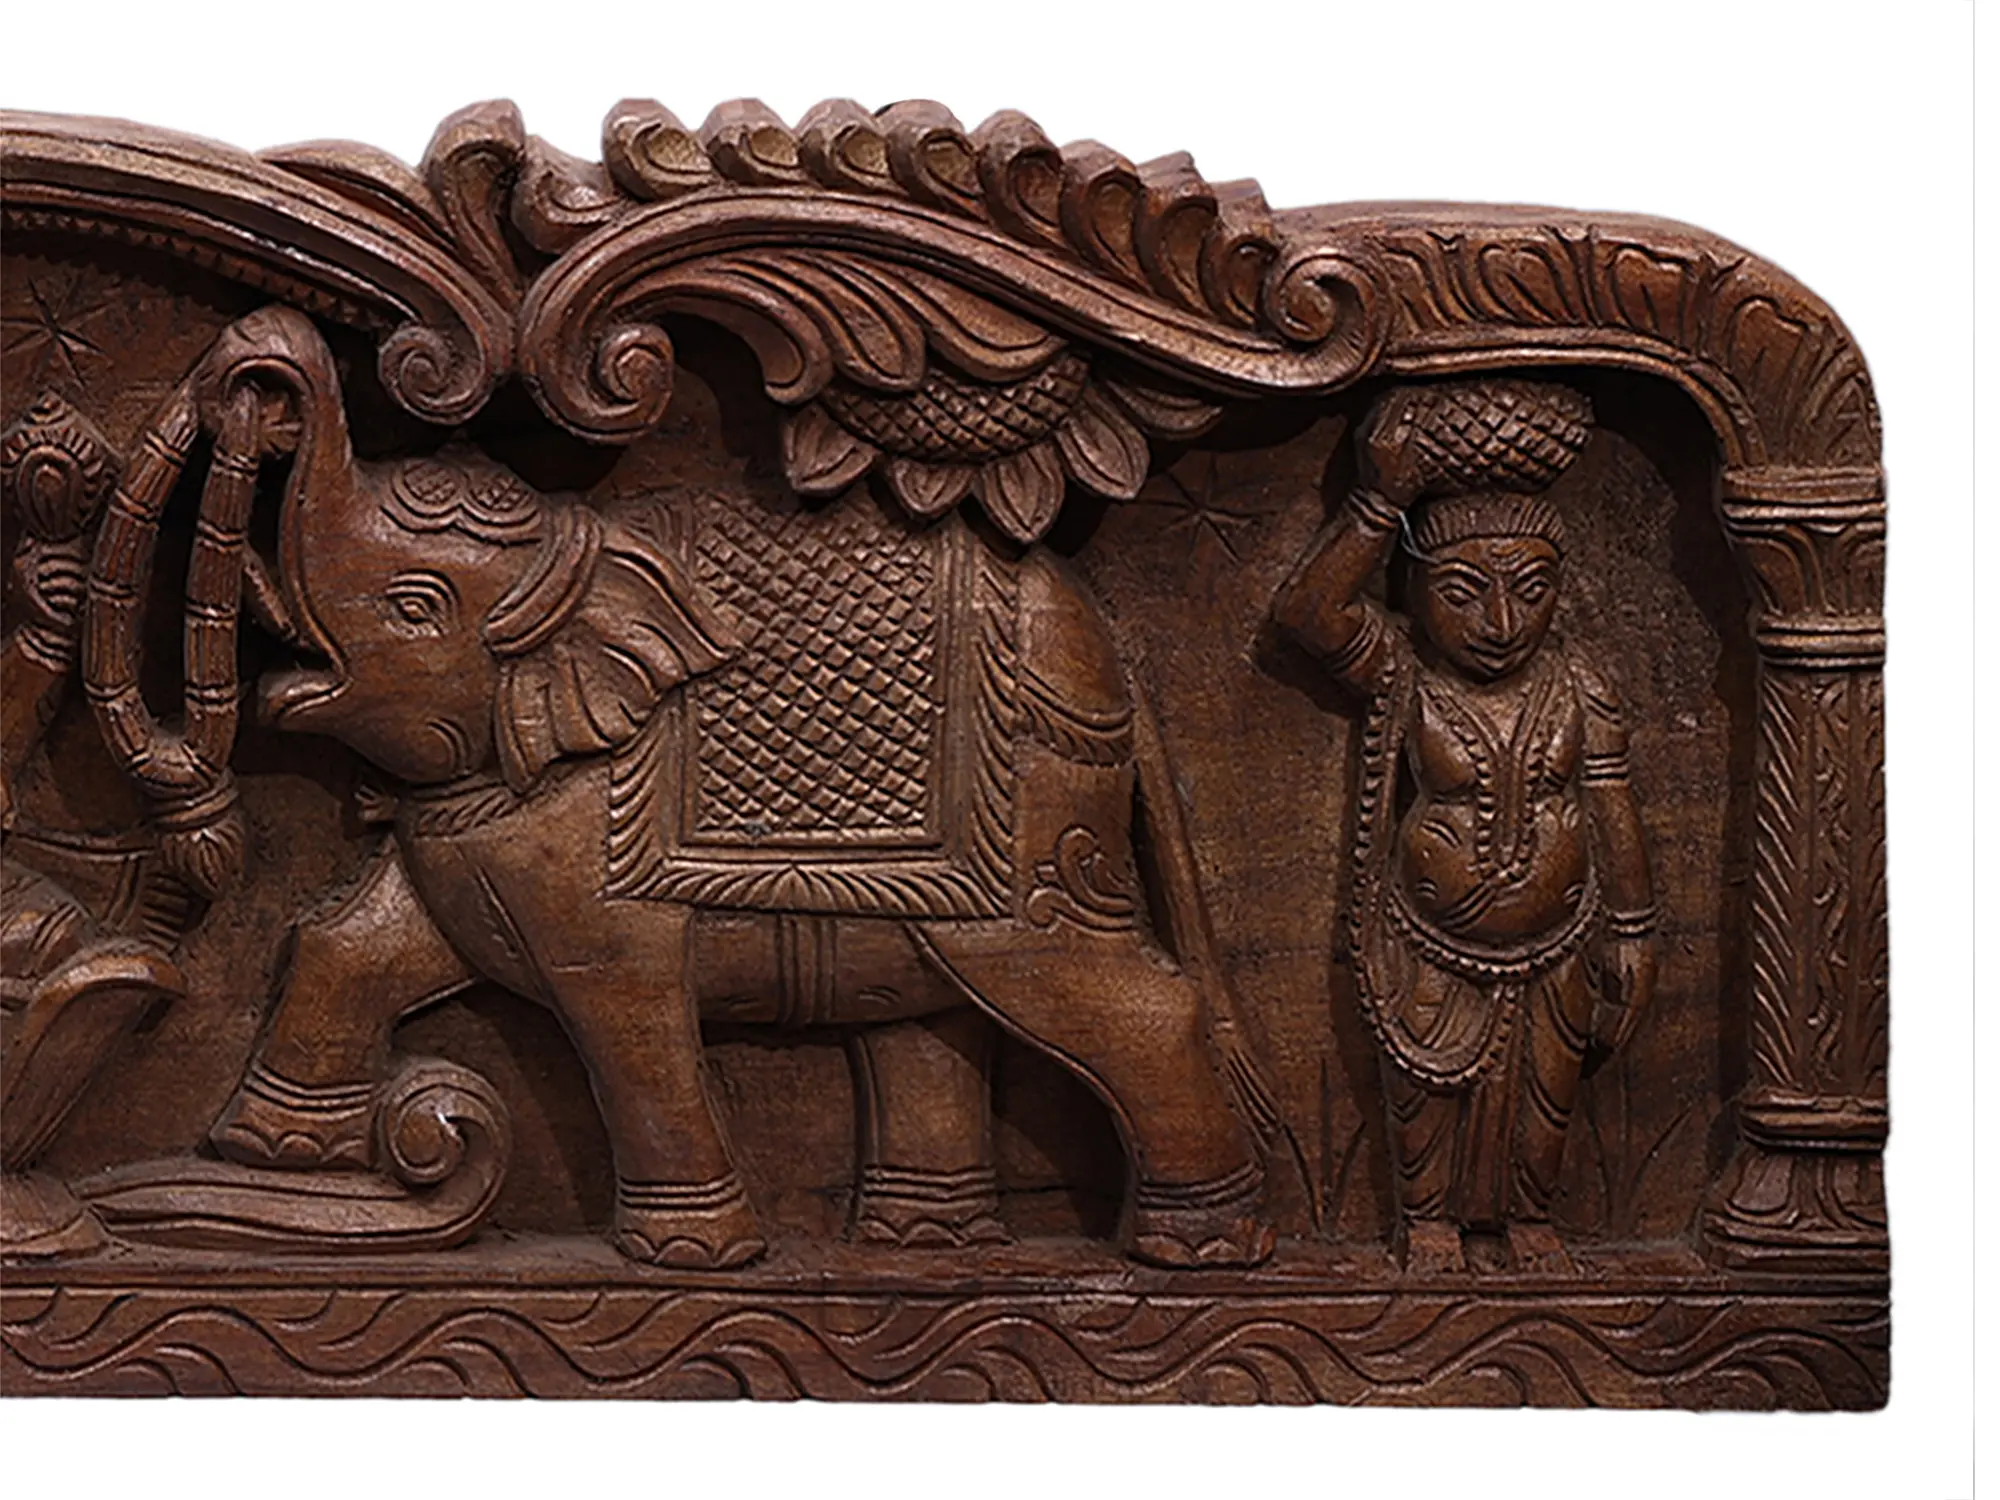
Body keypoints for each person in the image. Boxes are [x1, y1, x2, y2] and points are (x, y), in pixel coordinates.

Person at [1270, 379, 1658, 1273]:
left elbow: (1612, 807)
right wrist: (1379, 503)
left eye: (1531, 591)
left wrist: (1633, 932)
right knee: (1427, 1098)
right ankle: (1431, 1224)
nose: (1500, 623)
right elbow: (1309, 615)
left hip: (1559, 944)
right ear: (1414, 590)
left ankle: (1529, 1222)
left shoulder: (1579, 685)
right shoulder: (1403, 671)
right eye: (1462, 592)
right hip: (1428, 944)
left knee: (1547, 1097)